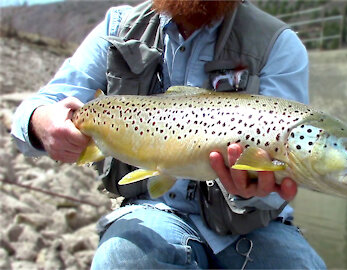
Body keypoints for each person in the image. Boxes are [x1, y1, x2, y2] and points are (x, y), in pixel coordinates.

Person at [11, 0, 326, 269]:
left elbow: (281, 174)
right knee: (124, 257)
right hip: (149, 209)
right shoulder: (118, 27)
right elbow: (36, 109)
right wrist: (43, 124)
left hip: (252, 227)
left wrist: (254, 187)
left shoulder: (276, 43)